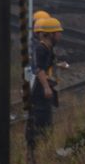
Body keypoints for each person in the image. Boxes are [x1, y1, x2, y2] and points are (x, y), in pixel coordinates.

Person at [27, 13, 64, 150]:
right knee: (40, 120)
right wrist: (46, 87)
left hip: (44, 91)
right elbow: (39, 70)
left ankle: (45, 147)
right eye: (58, 32)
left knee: (47, 121)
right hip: (39, 92)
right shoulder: (41, 49)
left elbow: (47, 67)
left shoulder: (49, 49)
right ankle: (36, 148)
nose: (60, 35)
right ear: (50, 34)